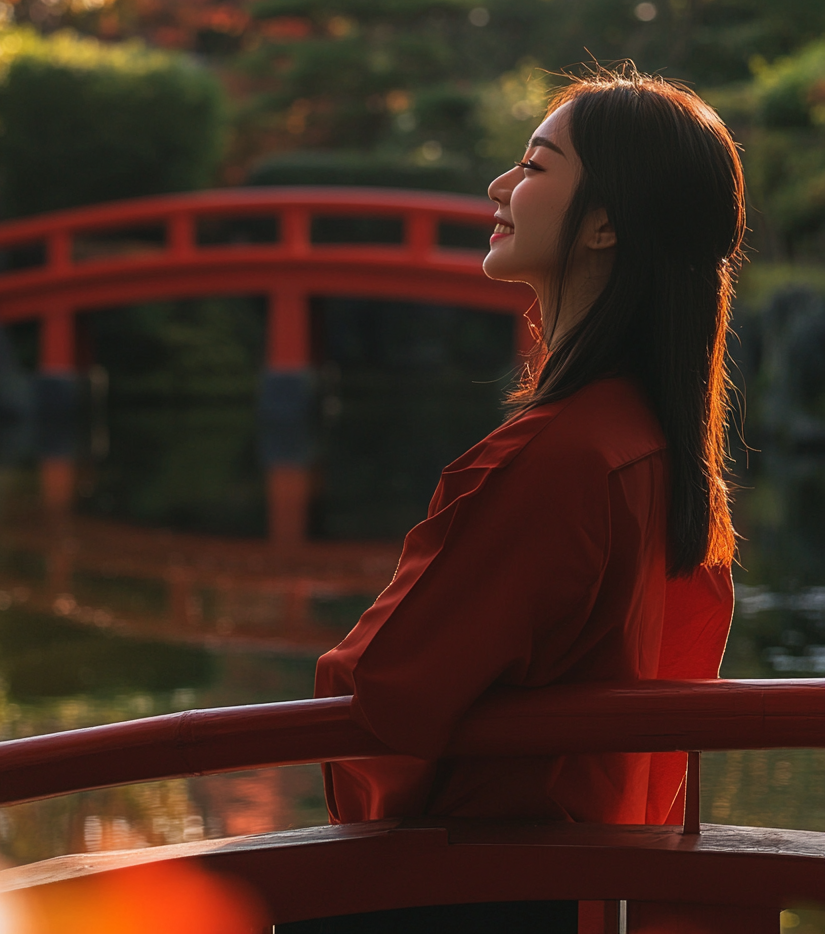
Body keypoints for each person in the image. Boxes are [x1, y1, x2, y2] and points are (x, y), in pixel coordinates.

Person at [278, 68, 746, 934]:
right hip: (577, 883)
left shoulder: (554, 459)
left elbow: (381, 697)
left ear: (605, 222)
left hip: (471, 893)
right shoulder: (654, 446)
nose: (499, 186)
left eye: (535, 167)